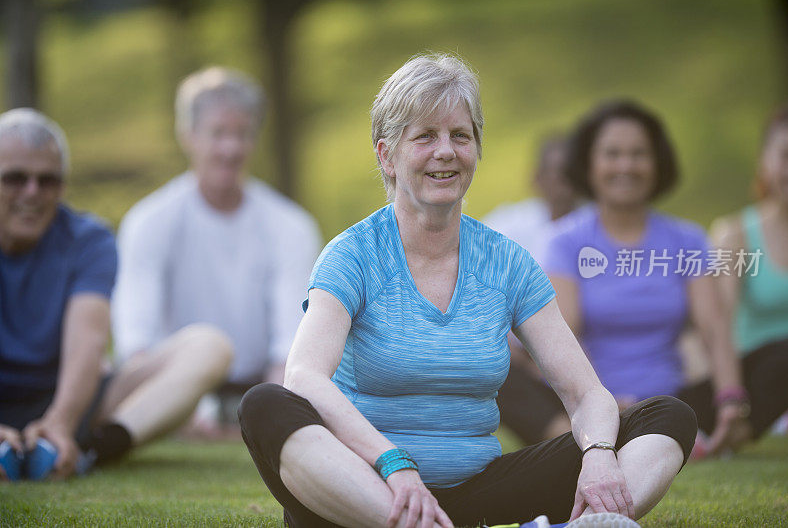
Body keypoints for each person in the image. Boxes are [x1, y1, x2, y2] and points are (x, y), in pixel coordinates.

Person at [238, 54, 697, 528]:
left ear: (477, 149)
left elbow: (587, 396)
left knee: (665, 416)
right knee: (265, 405)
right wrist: (394, 465)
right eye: (424, 136)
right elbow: (305, 377)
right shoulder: (352, 254)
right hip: (370, 493)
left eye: (461, 135)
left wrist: (599, 456)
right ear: (386, 155)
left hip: (478, 492)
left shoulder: (506, 261)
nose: (446, 151)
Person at [0, 109, 231, 482]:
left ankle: (92, 452)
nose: (32, 192)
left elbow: (88, 342)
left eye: (48, 181)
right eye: (15, 179)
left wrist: (60, 421)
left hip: (72, 400)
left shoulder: (89, 239)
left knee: (210, 346)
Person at [112, 67, 321, 436]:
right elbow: (136, 341)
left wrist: (271, 409)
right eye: (218, 133)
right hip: (173, 385)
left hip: (258, 387)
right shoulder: (149, 221)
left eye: (241, 134)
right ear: (188, 136)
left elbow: (292, 342)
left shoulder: (291, 226)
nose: (230, 149)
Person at [543, 100, 750, 457]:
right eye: (612, 154)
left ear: (657, 164)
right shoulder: (565, 242)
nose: (626, 165)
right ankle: (597, 432)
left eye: (639, 154)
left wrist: (731, 399)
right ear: (589, 165)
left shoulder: (687, 240)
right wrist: (600, 402)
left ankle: (699, 428)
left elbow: (714, 329)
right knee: (513, 376)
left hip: (675, 400)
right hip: (589, 400)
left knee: (787, 354)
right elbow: (565, 340)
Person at [694, 100, 788, 444]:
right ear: (765, 162)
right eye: (787, 156)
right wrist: (731, 400)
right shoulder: (734, 234)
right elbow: (718, 324)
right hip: (755, 378)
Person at [483, 136, 578, 444]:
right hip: (521, 358)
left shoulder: (595, 230)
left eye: (572, 172)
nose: (564, 182)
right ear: (537, 178)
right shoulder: (508, 225)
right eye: (556, 172)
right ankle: (563, 434)